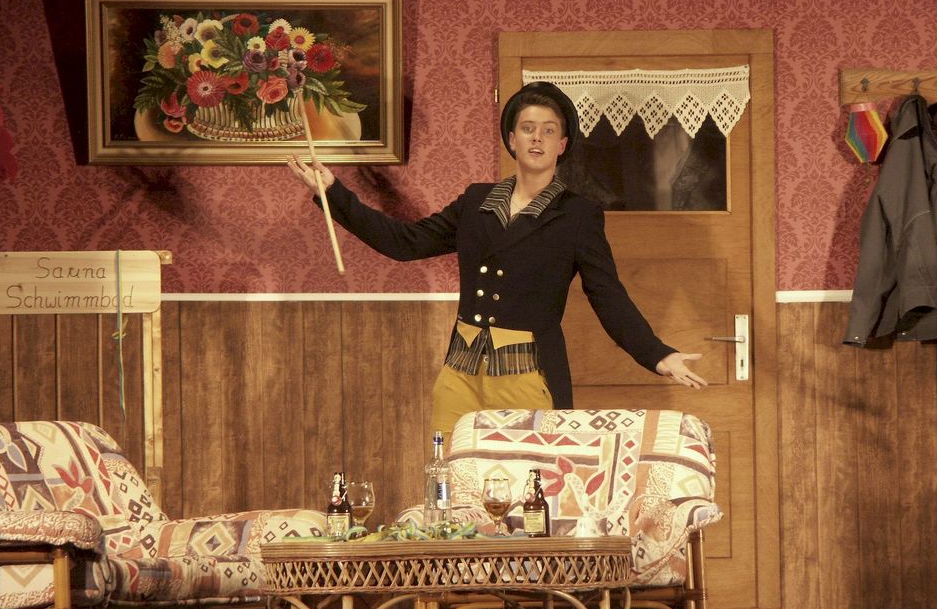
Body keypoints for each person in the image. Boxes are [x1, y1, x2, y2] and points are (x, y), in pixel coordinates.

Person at [288, 81, 705, 439]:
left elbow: (607, 294)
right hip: (459, 375)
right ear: (512, 139)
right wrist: (334, 193)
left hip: (528, 377)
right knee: (454, 485)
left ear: (562, 145)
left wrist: (657, 354)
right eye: (527, 128)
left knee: (527, 490)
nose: (537, 138)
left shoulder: (578, 215)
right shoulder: (475, 202)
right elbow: (405, 242)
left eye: (548, 131)